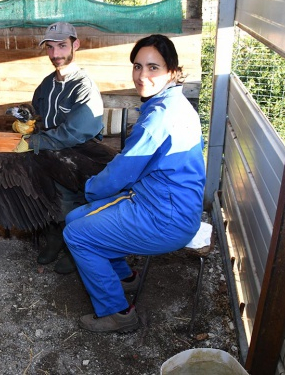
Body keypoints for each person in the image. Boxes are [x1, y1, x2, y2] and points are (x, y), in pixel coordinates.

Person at [63, 34, 206, 333]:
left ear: (172, 71)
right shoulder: (173, 102)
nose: (143, 76)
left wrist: (86, 187)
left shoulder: (161, 116)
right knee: (77, 218)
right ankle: (125, 278)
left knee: (76, 234)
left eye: (153, 67)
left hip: (165, 218)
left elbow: (120, 174)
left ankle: (119, 314)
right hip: (167, 205)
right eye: (138, 66)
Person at [12, 22, 104, 274]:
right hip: (49, 154)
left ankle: (74, 250)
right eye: (50, 48)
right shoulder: (46, 85)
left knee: (71, 203)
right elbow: (38, 115)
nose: (55, 54)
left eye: (62, 46)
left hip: (79, 158)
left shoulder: (84, 86)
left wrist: (35, 142)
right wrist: (26, 121)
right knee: (46, 196)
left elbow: (76, 131)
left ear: (76, 45)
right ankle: (54, 240)